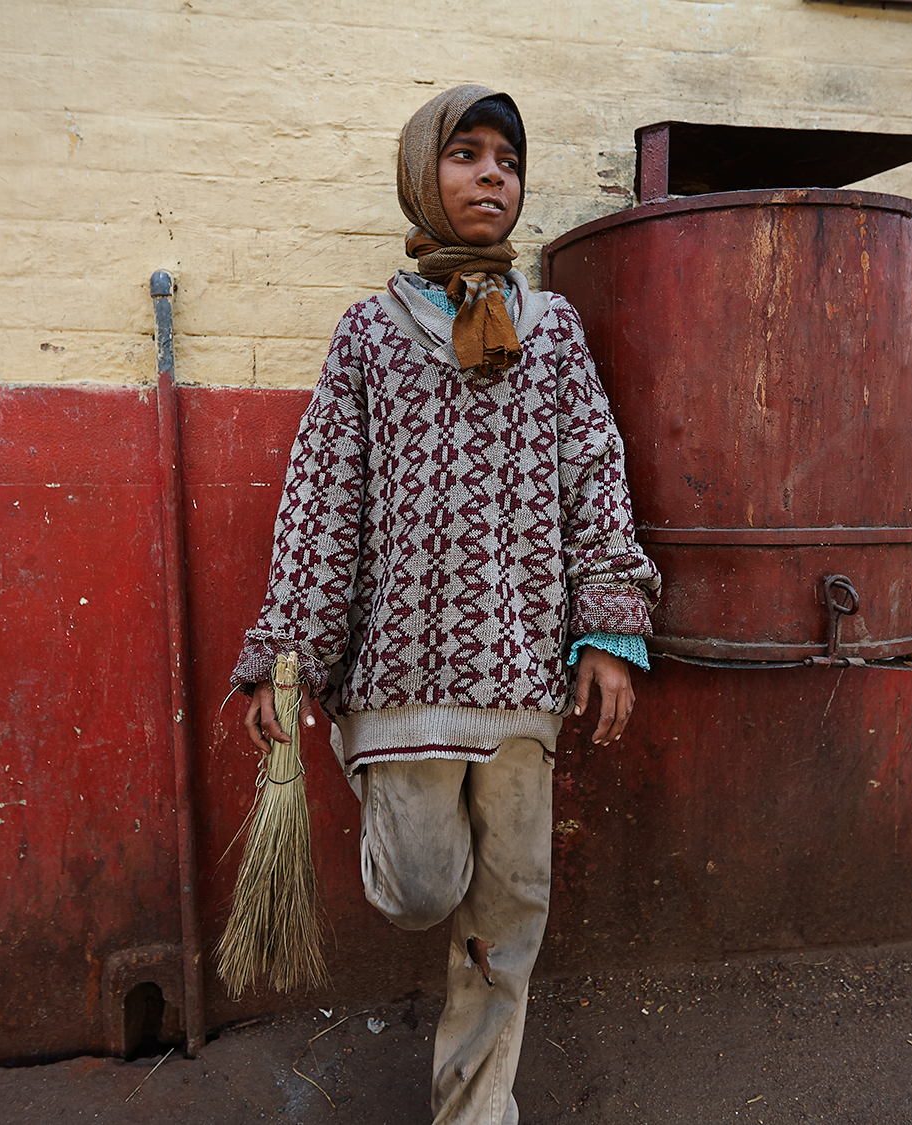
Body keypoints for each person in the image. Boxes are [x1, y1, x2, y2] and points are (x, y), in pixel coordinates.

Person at [231, 84, 660, 1125]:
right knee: (425, 890)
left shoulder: (551, 332)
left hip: (521, 688)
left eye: (506, 162)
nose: (490, 177)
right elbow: (324, 503)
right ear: (425, 175)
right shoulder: (370, 337)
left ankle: (477, 1110)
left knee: (507, 920)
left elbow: (594, 478)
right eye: (465, 156)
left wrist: (608, 632)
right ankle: (413, 848)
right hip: (402, 686)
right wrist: (288, 654)